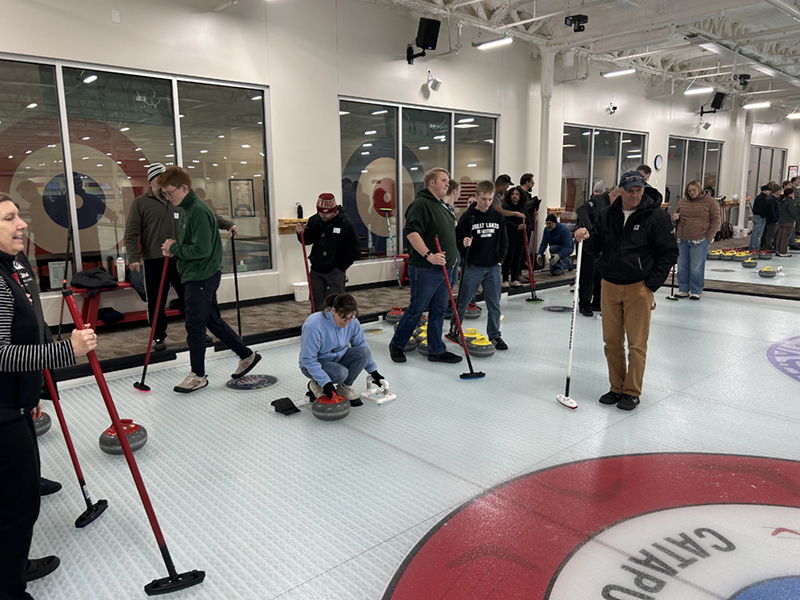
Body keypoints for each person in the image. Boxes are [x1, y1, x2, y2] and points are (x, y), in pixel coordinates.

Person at [0, 194, 97, 600]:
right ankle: (9, 589)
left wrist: (33, 389)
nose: (22, 224)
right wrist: (65, 351)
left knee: (18, 497)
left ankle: (13, 565)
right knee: (17, 505)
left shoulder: (11, 265)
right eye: (9, 218)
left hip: (15, 401)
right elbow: (1, 354)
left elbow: (28, 326)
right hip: (1, 411)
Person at [574, 171, 678, 411]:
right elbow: (596, 246)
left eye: (638, 190)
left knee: (636, 344)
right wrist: (585, 236)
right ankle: (616, 387)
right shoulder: (606, 214)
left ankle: (631, 391)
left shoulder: (657, 217)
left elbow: (669, 252)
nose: (634, 194)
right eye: (630, 190)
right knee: (611, 342)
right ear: (620, 190)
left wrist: (650, 284)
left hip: (638, 287)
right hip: (609, 286)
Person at [159, 167, 261, 393]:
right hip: (197, 273)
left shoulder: (196, 210)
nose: (168, 197)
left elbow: (201, 249)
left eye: (169, 193)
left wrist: (174, 248)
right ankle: (246, 355)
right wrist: (175, 249)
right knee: (212, 320)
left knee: (195, 325)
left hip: (201, 275)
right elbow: (197, 238)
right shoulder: (186, 208)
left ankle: (198, 375)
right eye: (165, 194)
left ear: (183, 188)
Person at [126, 163, 237, 351]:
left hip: (182, 256)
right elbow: (131, 231)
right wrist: (132, 257)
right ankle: (158, 336)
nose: (163, 184)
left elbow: (206, 216)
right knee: (156, 300)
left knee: (191, 297)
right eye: (159, 180)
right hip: (154, 259)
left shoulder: (178, 199)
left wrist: (227, 224)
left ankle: (200, 331)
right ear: (151, 182)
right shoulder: (141, 203)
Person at [388, 168, 462, 364]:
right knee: (417, 309)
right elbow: (412, 233)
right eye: (443, 180)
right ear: (431, 183)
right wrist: (429, 256)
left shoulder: (442, 206)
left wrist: (454, 257)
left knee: (439, 310)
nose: (447, 184)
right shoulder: (421, 204)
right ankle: (397, 344)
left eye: (448, 181)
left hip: (446, 268)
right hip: (426, 269)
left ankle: (436, 349)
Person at [445, 180, 508, 349]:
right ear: (476, 196)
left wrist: (500, 259)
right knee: (463, 301)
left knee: (494, 304)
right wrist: (463, 243)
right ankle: (454, 330)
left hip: (493, 267)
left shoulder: (498, 217)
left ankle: (495, 335)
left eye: (490, 199)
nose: (487, 203)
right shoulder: (468, 217)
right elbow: (456, 239)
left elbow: (504, 241)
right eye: (483, 199)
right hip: (473, 266)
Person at [299, 293, 382, 403]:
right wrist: (325, 383)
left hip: (337, 359)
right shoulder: (314, 325)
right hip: (314, 363)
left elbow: (361, 345)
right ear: (333, 311)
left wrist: (373, 371)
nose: (347, 322)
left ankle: (343, 387)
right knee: (341, 373)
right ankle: (316, 383)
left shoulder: (352, 322)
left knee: (364, 352)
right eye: (343, 318)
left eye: (350, 318)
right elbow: (308, 359)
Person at [296, 193, 361, 312]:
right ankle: (317, 320)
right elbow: (307, 240)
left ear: (334, 210)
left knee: (337, 301)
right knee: (316, 300)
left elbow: (354, 249)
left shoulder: (345, 223)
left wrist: (341, 267)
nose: (322, 215)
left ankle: (337, 320)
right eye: (320, 212)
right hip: (317, 268)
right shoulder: (315, 220)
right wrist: (301, 233)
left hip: (335, 269)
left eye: (326, 213)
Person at [672, 180, 720, 300]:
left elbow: (716, 220)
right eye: (689, 191)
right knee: (682, 266)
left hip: (700, 240)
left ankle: (696, 290)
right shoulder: (683, 201)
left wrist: (709, 237)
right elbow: (675, 217)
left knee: (696, 267)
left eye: (694, 190)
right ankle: (683, 289)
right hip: (682, 239)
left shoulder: (710, 202)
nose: (692, 192)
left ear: (699, 189)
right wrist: (674, 218)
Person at [575, 180, 610, 316]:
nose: (598, 194)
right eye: (596, 191)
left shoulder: (607, 204)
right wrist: (590, 228)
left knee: (599, 274)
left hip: (600, 244)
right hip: (587, 242)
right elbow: (580, 210)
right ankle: (584, 303)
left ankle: (597, 302)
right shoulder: (592, 203)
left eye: (600, 192)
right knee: (587, 274)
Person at [501, 186, 526, 287]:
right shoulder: (506, 207)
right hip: (509, 236)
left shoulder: (522, 207)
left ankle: (514, 279)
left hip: (520, 236)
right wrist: (516, 227)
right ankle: (505, 279)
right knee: (509, 257)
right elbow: (504, 221)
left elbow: (527, 219)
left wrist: (525, 226)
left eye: (517, 194)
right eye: (513, 194)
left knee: (517, 257)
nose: (514, 196)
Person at [775, 187, 798, 257]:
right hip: (788, 221)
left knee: (780, 236)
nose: (794, 194)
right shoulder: (790, 201)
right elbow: (792, 211)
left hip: (781, 220)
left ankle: (778, 250)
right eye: (793, 193)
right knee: (786, 237)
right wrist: (795, 218)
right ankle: (783, 251)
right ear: (790, 194)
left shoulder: (781, 201)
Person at [749, 184, 771, 251]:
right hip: (759, 217)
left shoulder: (759, 197)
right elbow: (761, 209)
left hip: (756, 216)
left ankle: (752, 247)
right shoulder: (762, 198)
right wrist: (764, 216)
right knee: (757, 234)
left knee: (754, 233)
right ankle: (755, 248)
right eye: (768, 190)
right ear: (764, 191)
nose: (769, 192)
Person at [762, 182, 781, 251]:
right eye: (780, 190)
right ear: (776, 191)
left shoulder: (775, 199)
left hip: (776, 219)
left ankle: (775, 246)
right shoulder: (771, 200)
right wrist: (775, 220)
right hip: (772, 220)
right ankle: (768, 246)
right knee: (770, 234)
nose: (781, 192)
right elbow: (771, 211)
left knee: (776, 234)